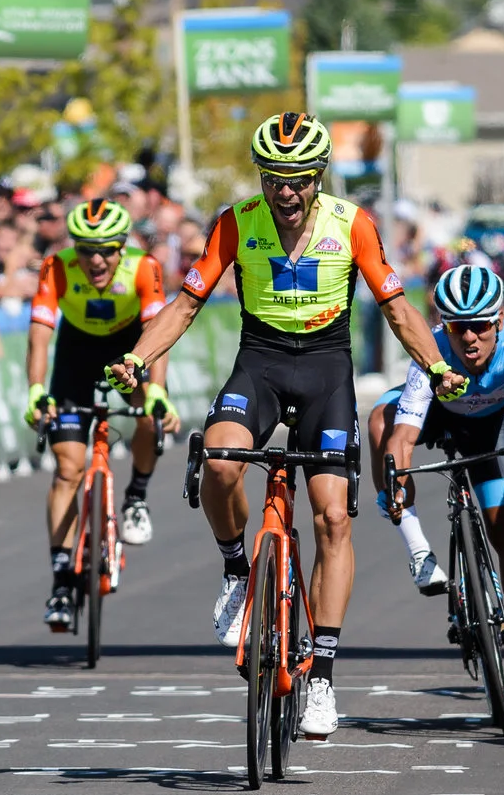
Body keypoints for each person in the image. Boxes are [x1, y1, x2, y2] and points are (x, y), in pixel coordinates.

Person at [123, 112, 464, 742]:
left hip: (327, 370)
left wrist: (437, 364)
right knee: (220, 464)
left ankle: (325, 676)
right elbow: (186, 304)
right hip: (260, 364)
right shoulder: (235, 222)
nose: (286, 191)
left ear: (318, 177)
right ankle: (234, 569)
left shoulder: (351, 224)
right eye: (275, 177)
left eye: (300, 178)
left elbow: (396, 307)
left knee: (332, 515)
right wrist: (139, 358)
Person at [371, 262, 504, 691]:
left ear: (499, 320)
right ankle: (419, 551)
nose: (469, 338)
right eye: (458, 328)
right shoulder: (431, 354)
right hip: (440, 418)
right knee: (380, 420)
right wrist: (395, 482)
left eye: (479, 326)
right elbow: (404, 434)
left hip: (489, 429)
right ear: (445, 327)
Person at [23, 198, 178, 633]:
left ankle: (136, 498)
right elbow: (39, 335)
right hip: (75, 356)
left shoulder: (143, 267)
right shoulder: (56, 267)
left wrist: (158, 393)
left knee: (150, 416)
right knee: (67, 471)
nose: (96, 259)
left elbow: (157, 332)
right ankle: (61, 584)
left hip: (129, 351)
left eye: (107, 249)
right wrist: (36, 389)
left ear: (122, 248)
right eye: (86, 248)